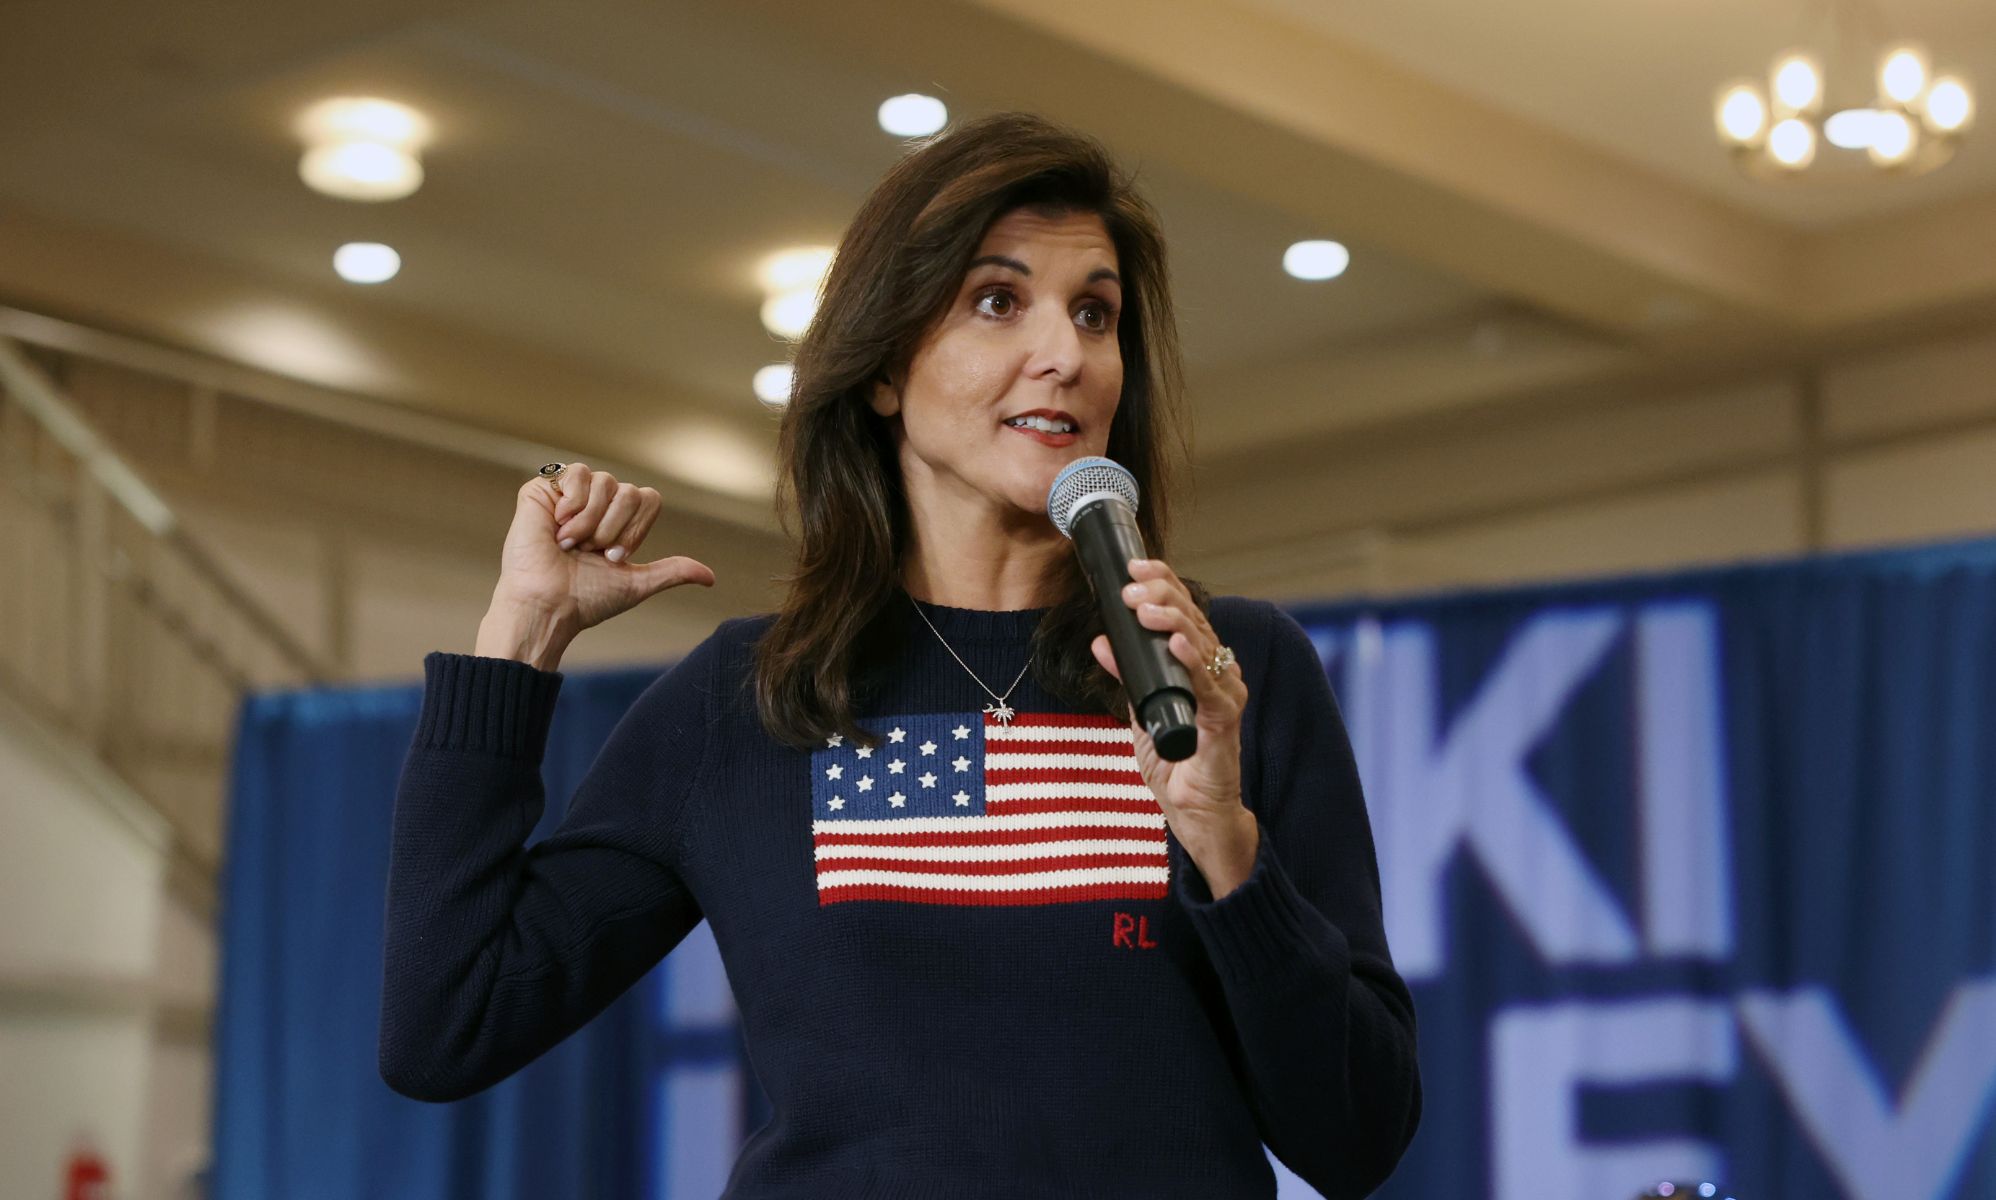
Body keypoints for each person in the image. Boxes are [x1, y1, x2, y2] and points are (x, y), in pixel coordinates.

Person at [379, 110, 1420, 1198]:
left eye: (1096, 313)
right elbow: (449, 1026)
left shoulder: (1223, 672)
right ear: (881, 368)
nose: (1064, 353)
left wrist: (1223, 838)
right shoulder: (751, 698)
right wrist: (520, 640)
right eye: (996, 301)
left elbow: (1358, 1136)